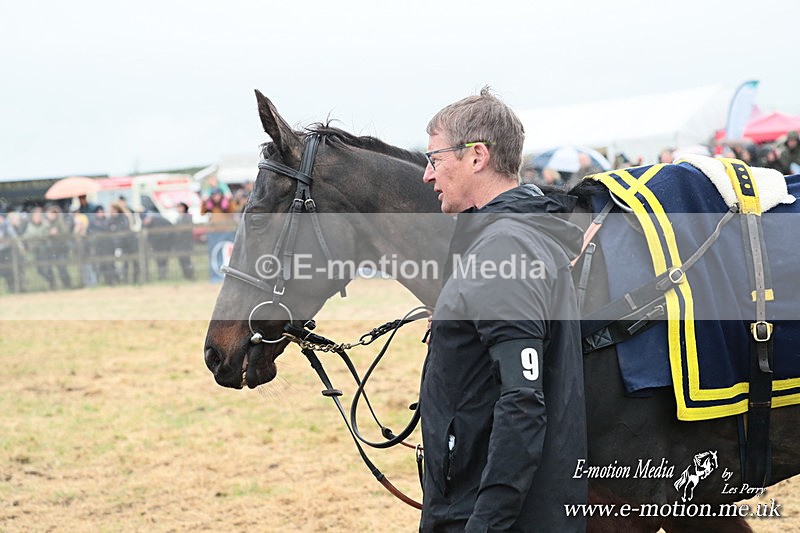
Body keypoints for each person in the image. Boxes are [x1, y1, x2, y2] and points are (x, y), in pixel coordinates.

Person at [419, 88, 587, 532]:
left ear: (477, 156)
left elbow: (522, 402)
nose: (427, 174)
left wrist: (485, 523)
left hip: (490, 516)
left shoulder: (505, 246)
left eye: (435, 158)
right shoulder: (507, 237)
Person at [174, 202, 195, 280]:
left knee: (186, 260)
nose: (179, 209)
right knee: (182, 260)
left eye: (180, 207)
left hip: (186, 242)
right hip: (179, 243)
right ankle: (186, 276)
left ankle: (190, 276)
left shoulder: (187, 217)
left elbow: (187, 230)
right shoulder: (178, 218)